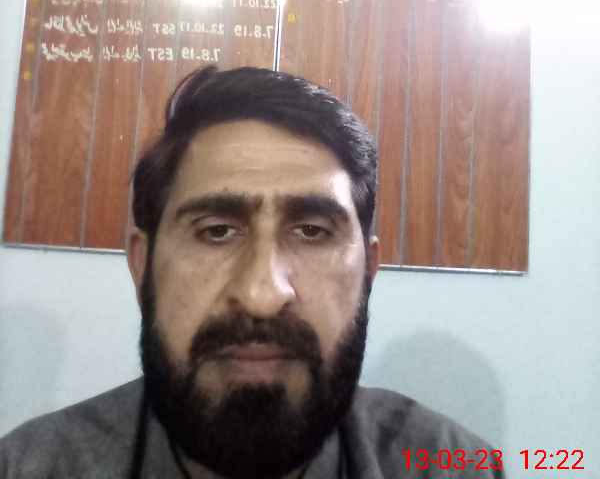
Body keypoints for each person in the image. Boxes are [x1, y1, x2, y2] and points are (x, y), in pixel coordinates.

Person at [0, 66, 505, 478]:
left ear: (369, 272)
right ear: (142, 264)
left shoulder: (456, 466)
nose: (263, 294)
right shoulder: (26, 467)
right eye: (216, 231)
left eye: (312, 231)